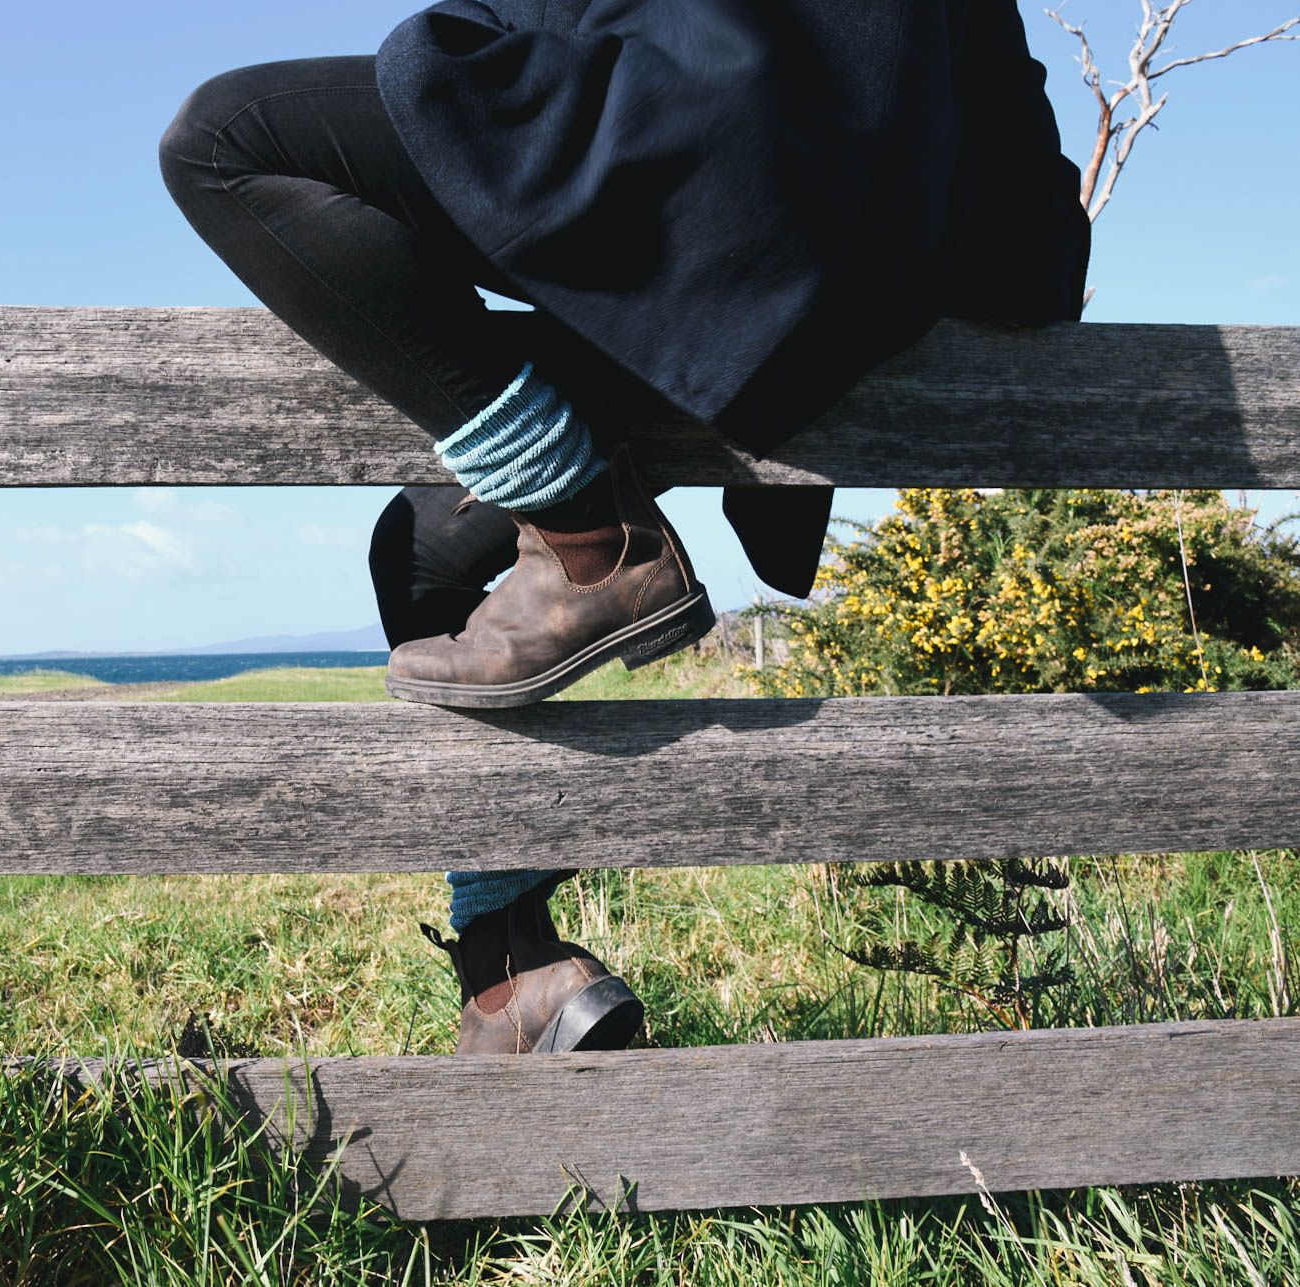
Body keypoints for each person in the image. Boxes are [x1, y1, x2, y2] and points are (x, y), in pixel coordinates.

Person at [158, 0, 1089, 1053]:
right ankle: (515, 971)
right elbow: (998, 91)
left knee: (223, 140)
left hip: (711, 159)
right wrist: (1018, 251)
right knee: (418, 550)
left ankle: (585, 540)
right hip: (862, 240)